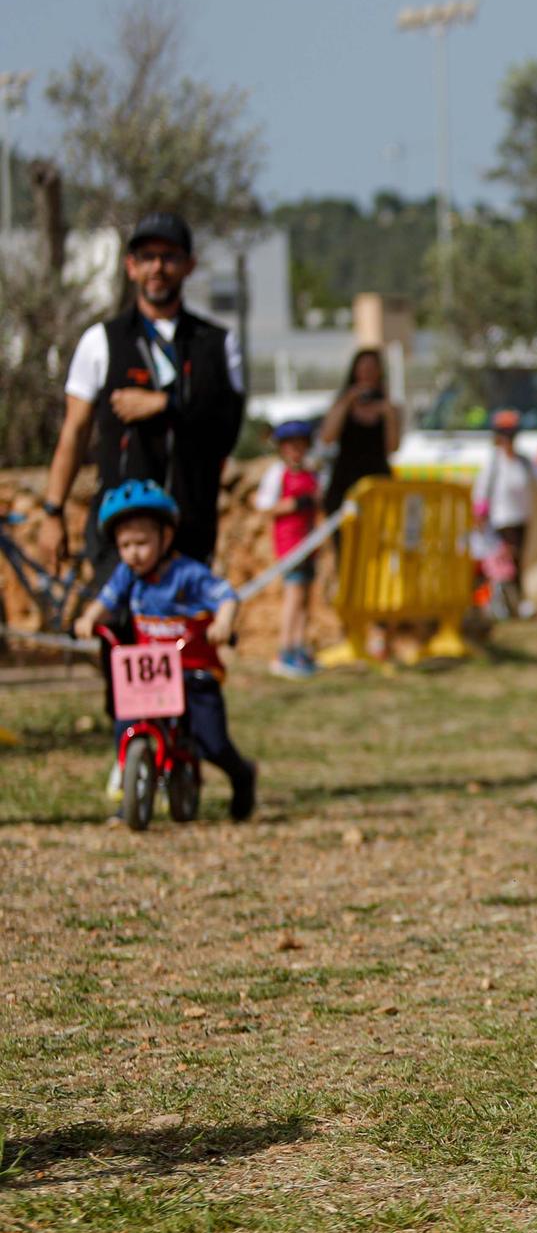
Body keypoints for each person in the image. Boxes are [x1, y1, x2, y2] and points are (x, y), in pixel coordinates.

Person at [40, 211, 245, 583]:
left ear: (189, 265)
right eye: (147, 257)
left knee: (184, 638)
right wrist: (53, 512)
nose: (158, 268)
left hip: (189, 531)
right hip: (120, 532)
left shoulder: (217, 344)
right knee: (118, 635)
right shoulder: (101, 341)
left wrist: (166, 405)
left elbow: (227, 429)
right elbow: (74, 431)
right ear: (130, 267)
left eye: (169, 257)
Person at [72, 481, 257, 822]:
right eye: (125, 545)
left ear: (166, 538)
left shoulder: (187, 573)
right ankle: (130, 791)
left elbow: (226, 596)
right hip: (151, 674)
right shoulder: (128, 575)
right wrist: (88, 618)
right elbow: (107, 600)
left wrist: (223, 622)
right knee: (126, 723)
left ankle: (242, 774)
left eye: (141, 543)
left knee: (211, 744)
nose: (133, 553)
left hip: (193, 670)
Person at [473, 411, 537, 619]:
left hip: (520, 519)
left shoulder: (523, 462)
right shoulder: (494, 464)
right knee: (506, 564)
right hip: (499, 522)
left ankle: (514, 602)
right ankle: (512, 602)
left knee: (514, 563)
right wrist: (479, 515)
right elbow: (481, 491)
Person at [252, 420, 322, 678]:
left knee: (305, 597)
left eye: (301, 446)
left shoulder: (312, 473)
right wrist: (294, 504)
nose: (296, 451)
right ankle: (285, 650)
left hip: (310, 542)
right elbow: (264, 506)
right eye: (291, 446)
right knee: (293, 596)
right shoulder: (277, 474)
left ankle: (300, 646)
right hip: (290, 544)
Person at [319, 348, 401, 523]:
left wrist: (388, 413)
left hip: (377, 485)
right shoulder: (343, 403)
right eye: (363, 369)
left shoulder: (389, 408)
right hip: (344, 485)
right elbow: (327, 437)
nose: (367, 374)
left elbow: (393, 447)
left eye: (372, 369)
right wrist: (348, 400)